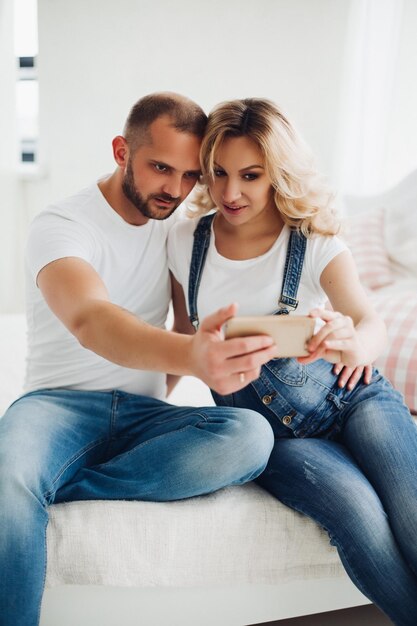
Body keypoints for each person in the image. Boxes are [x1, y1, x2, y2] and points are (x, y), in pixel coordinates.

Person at [0, 93, 277, 626]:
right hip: (56, 407)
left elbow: (185, 323)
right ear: (121, 150)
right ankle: (36, 484)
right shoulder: (61, 225)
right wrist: (193, 355)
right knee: (9, 476)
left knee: (249, 436)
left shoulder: (176, 231)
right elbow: (91, 320)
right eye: (160, 168)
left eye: (191, 175)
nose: (174, 189)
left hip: (142, 416)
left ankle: (65, 483)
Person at [167, 97, 417, 626]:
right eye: (219, 174)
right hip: (276, 438)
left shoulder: (314, 239)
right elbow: (181, 338)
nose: (231, 193)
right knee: (360, 518)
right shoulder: (184, 241)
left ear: (277, 173)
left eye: (251, 176)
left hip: (354, 399)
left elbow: (370, 325)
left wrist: (351, 342)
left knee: (412, 510)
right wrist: (141, 404)